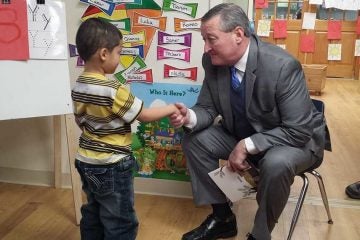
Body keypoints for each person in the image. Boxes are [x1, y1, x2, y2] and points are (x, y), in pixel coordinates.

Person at [169, 3, 328, 240]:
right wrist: (188, 117)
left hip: (297, 142)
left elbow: (298, 130)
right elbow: (207, 107)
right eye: (204, 39)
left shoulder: (283, 66)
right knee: (195, 140)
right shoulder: (212, 62)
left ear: (238, 35)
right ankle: (222, 218)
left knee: (276, 162)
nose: (206, 48)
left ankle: (260, 234)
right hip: (241, 133)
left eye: (211, 39)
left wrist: (246, 145)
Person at [72, 18, 179, 240]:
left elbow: (79, 121)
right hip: (112, 163)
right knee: (120, 220)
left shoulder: (79, 86)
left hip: (86, 160)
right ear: (104, 54)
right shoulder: (112, 89)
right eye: (119, 53)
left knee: (93, 210)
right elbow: (145, 115)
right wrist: (170, 108)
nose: (119, 60)